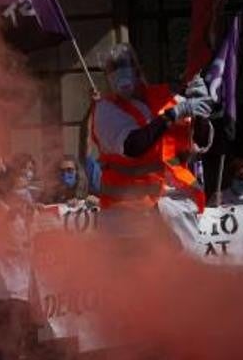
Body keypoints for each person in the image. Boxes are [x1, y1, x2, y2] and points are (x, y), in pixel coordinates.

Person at [0, 158, 80, 360]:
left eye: (31, 171)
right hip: (0, 264)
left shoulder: (31, 196)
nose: (27, 176)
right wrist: (9, 212)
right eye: (23, 172)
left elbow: (50, 210)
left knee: (19, 321)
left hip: (23, 265)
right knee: (7, 319)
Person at [90, 43, 213, 226]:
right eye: (113, 69)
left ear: (138, 70)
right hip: (127, 211)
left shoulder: (166, 98)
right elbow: (133, 146)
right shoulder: (106, 109)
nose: (120, 73)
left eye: (124, 65)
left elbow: (198, 140)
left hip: (175, 204)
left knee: (181, 255)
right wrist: (172, 115)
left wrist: (201, 113)